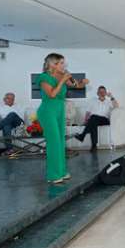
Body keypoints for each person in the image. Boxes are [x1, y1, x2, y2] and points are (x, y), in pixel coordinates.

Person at [37, 53, 88, 184]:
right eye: (61, 63)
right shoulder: (44, 77)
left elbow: (76, 85)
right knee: (53, 142)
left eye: (63, 63)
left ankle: (61, 171)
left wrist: (82, 83)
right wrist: (63, 80)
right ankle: (53, 175)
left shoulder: (63, 75)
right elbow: (52, 94)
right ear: (52, 64)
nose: (64, 65)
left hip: (60, 110)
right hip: (48, 111)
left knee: (60, 141)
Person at [74, 86, 117, 151]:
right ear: (97, 93)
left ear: (105, 93)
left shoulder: (108, 102)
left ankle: (82, 136)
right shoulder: (93, 100)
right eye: (100, 92)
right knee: (93, 122)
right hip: (94, 120)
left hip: (104, 120)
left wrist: (111, 96)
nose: (101, 93)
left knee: (93, 117)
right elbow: (88, 112)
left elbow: (116, 106)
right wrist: (85, 121)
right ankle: (94, 146)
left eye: (103, 92)